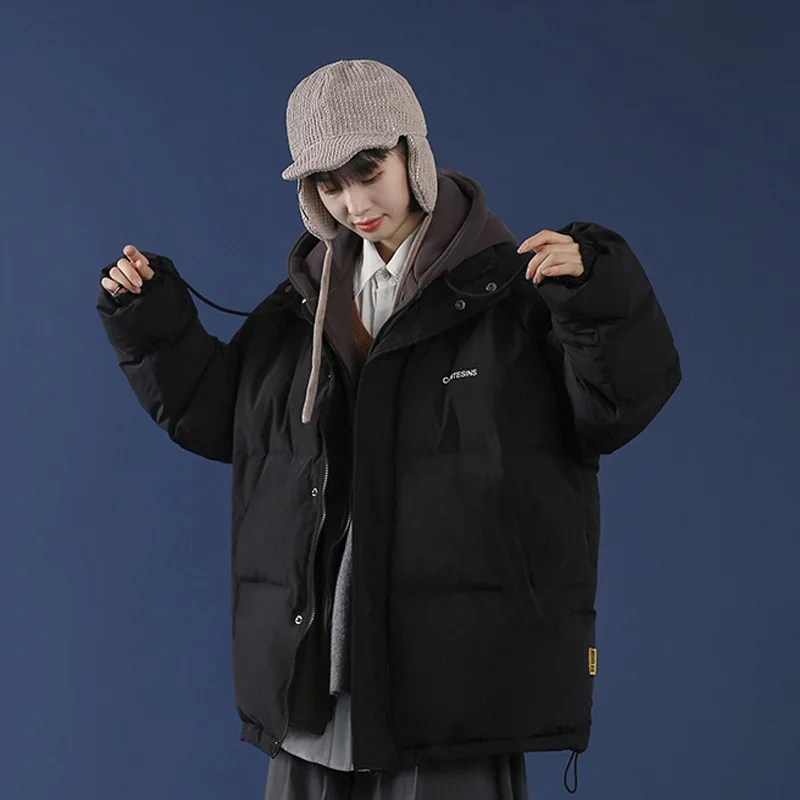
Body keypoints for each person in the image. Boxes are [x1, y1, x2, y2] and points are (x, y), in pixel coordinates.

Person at [96, 59, 682, 799]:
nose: (353, 202)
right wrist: (151, 320)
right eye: (327, 185)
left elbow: (617, 404)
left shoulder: (512, 295)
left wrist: (594, 289)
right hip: (317, 674)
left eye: (367, 170)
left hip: (453, 680)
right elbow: (228, 425)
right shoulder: (301, 308)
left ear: (413, 152)